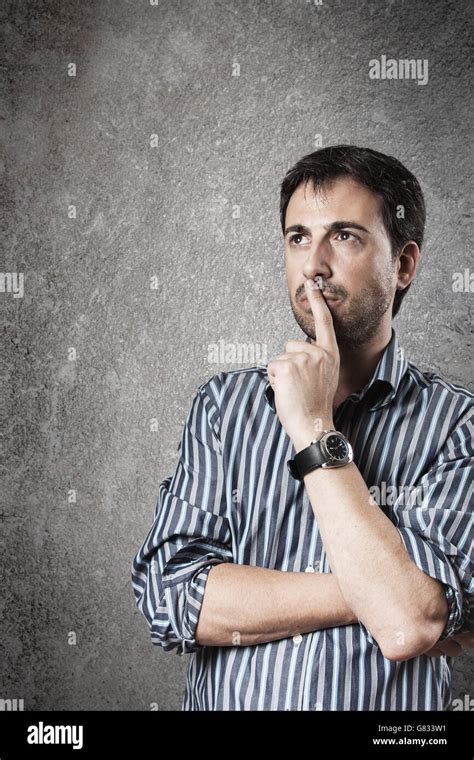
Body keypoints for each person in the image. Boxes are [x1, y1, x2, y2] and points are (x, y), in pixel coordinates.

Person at [131, 145, 473, 710]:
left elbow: (409, 624)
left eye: (344, 236)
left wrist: (315, 428)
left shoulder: (459, 424)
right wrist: (383, 595)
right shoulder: (223, 408)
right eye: (298, 238)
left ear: (405, 264)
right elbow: (170, 600)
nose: (314, 263)